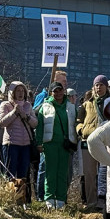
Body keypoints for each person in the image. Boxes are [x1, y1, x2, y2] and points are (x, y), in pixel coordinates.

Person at [35, 81, 78, 209]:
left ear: (63, 91)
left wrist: (74, 141)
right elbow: (40, 126)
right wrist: (38, 143)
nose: (58, 93)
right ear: (51, 92)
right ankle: (49, 198)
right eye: (55, 91)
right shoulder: (45, 106)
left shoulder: (70, 106)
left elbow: (74, 125)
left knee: (63, 172)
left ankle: (61, 199)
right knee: (50, 172)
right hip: (50, 144)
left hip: (65, 145)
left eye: (60, 90)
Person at [79, 75, 110, 206]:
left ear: (106, 87)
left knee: (106, 173)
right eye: (96, 85)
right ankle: (91, 202)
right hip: (88, 141)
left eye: (101, 85)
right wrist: (81, 130)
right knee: (89, 173)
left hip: (105, 142)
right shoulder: (86, 104)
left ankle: (105, 202)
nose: (99, 87)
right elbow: (79, 121)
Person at [0, 81, 38, 182]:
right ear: (12, 93)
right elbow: (1, 123)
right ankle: (9, 195)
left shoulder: (28, 106)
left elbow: (35, 123)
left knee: (23, 175)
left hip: (25, 145)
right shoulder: (5, 105)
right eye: (17, 91)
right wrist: (14, 112)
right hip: (11, 144)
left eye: (22, 91)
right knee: (10, 174)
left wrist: (27, 116)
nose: (20, 93)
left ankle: (22, 196)